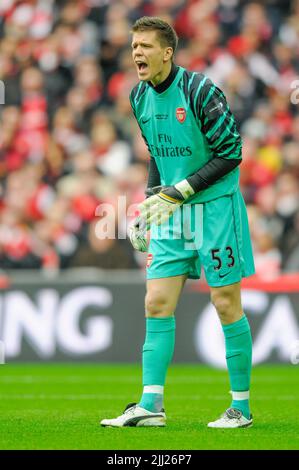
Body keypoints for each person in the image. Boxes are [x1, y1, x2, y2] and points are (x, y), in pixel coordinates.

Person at [101, 16, 255, 429]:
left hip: (216, 207)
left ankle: (240, 408)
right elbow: (157, 153)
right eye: (134, 47)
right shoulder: (138, 97)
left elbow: (231, 153)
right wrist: (152, 202)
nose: (137, 53)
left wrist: (180, 190)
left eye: (146, 46)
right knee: (156, 302)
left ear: (167, 52)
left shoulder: (201, 90)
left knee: (225, 303)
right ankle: (151, 404)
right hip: (172, 210)